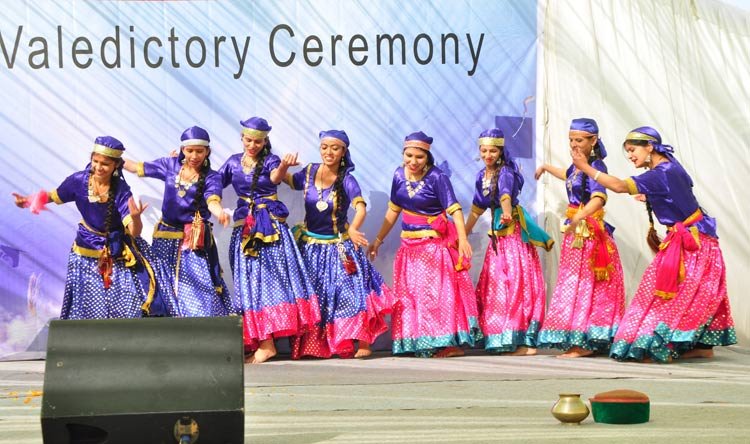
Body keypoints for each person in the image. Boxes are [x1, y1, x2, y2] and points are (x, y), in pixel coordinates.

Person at [571, 126, 736, 362]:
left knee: (670, 297)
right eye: (628, 151)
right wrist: (652, 196)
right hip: (694, 240)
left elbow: (618, 186)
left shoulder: (661, 172)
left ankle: (659, 346)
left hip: (693, 244)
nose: (630, 156)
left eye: (632, 150)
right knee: (693, 294)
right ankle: (701, 346)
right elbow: (680, 193)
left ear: (649, 147)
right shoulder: (670, 166)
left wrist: (585, 167)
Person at [12, 136, 158, 319]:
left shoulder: (121, 189)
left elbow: (135, 232)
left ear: (116, 165)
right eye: (95, 161)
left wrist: (136, 218)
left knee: (124, 302)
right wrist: (27, 201)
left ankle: (122, 332)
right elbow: (52, 196)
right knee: (87, 302)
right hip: (85, 247)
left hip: (116, 249)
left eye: (105, 164)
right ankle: (86, 332)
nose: (98, 167)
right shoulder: (78, 181)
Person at [367, 131, 481, 358]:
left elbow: (455, 210)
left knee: (436, 296)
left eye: (419, 157)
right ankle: (418, 341)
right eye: (409, 155)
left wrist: (463, 239)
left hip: (432, 248)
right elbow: (393, 210)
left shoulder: (437, 177)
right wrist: (377, 240)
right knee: (411, 296)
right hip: (408, 248)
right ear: (403, 154)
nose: (413, 161)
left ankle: (447, 343)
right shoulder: (399, 175)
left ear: (427, 157)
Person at [218, 117, 320, 364]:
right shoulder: (233, 162)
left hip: (270, 228)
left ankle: (268, 343)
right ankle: (263, 341)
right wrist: (182, 164)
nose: (252, 145)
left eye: (258, 142)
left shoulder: (272, 161)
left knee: (270, 280)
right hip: (245, 229)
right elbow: (214, 182)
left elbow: (275, 178)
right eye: (248, 140)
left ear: (265, 142)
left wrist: (284, 166)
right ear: (242, 138)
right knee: (249, 282)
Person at [286, 130, 393, 359]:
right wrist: (283, 166)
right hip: (311, 247)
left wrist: (353, 229)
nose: (329, 152)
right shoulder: (309, 172)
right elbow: (289, 181)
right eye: (324, 147)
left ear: (343, 151)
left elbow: (361, 208)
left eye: (335, 148)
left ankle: (363, 341)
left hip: (339, 246)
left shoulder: (346, 179)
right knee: (317, 297)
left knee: (352, 292)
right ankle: (317, 344)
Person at [535, 118, 625, 357]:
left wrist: (579, 216)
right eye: (571, 140)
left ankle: (583, 342)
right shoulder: (577, 165)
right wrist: (546, 167)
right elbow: (568, 175)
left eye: (579, 140)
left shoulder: (595, 165)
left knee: (584, 285)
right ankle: (578, 337)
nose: (574, 145)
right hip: (577, 234)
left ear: (593, 140)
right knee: (573, 283)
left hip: (589, 235)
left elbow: (599, 198)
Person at [123, 126, 231, 317]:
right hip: (166, 235)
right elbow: (135, 167)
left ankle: (200, 325)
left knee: (196, 284)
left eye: (199, 151)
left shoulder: (212, 177)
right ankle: (168, 325)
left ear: (207, 152)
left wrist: (219, 212)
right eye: (190, 150)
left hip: (193, 240)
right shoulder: (170, 165)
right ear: (182, 150)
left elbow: (212, 200)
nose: (194, 156)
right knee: (162, 281)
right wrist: (111, 157)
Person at [465, 128, 553, 355]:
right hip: (498, 237)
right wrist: (463, 234)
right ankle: (502, 336)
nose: (488, 155)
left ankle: (522, 340)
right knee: (496, 284)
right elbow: (476, 209)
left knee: (514, 282)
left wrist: (505, 212)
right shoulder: (481, 176)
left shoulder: (506, 172)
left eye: (493, 151)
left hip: (512, 236)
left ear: (501, 151)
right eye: (484, 151)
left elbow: (505, 195)